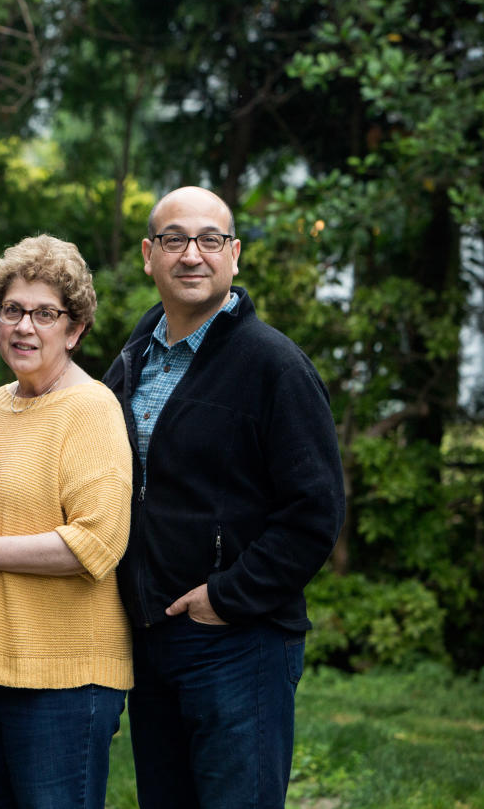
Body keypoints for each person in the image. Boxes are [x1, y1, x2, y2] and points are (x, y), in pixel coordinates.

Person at [102, 186, 345, 809]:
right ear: (148, 256)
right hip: (153, 639)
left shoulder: (274, 366)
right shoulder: (133, 361)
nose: (192, 255)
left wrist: (227, 597)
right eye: (174, 240)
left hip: (239, 640)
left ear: (234, 255)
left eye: (210, 240)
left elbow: (314, 512)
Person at [0, 235, 132, 808]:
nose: (25, 327)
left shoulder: (91, 408)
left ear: (75, 328)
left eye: (46, 314)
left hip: (63, 679)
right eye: (12, 310)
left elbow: (98, 542)